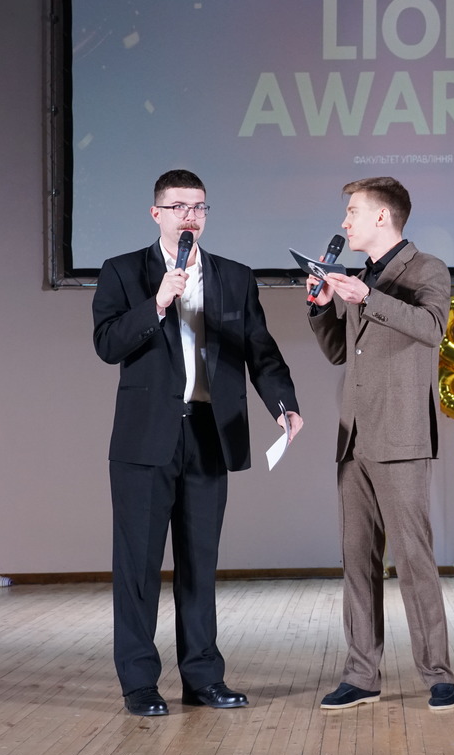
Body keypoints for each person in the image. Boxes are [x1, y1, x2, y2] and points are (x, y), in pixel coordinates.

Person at [92, 169, 303, 717]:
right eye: (179, 207)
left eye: (200, 207)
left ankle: (203, 678)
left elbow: (260, 350)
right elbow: (107, 344)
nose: (191, 216)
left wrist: (283, 404)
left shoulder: (235, 277)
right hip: (144, 442)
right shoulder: (123, 271)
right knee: (137, 568)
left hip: (208, 434)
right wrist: (157, 302)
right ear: (156, 213)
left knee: (199, 565)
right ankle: (140, 683)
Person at [305, 176, 454, 711]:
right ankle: (361, 674)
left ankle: (437, 674)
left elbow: (433, 327)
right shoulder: (358, 278)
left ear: (381, 216)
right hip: (354, 436)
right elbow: (339, 353)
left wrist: (368, 296)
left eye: (352, 212)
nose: (344, 222)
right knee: (357, 561)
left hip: (401, 435)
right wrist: (322, 307)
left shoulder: (427, 269)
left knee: (414, 560)